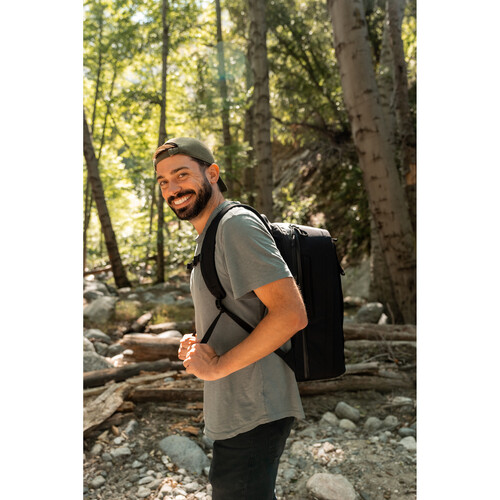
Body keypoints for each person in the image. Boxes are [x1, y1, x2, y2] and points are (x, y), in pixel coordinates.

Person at [153, 137, 307, 500]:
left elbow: (290, 313)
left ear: (212, 173)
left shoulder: (235, 225)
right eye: (163, 181)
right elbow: (239, 310)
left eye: (181, 175)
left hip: (256, 404)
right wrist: (200, 342)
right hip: (237, 405)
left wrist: (218, 367)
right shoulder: (210, 232)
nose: (172, 189)